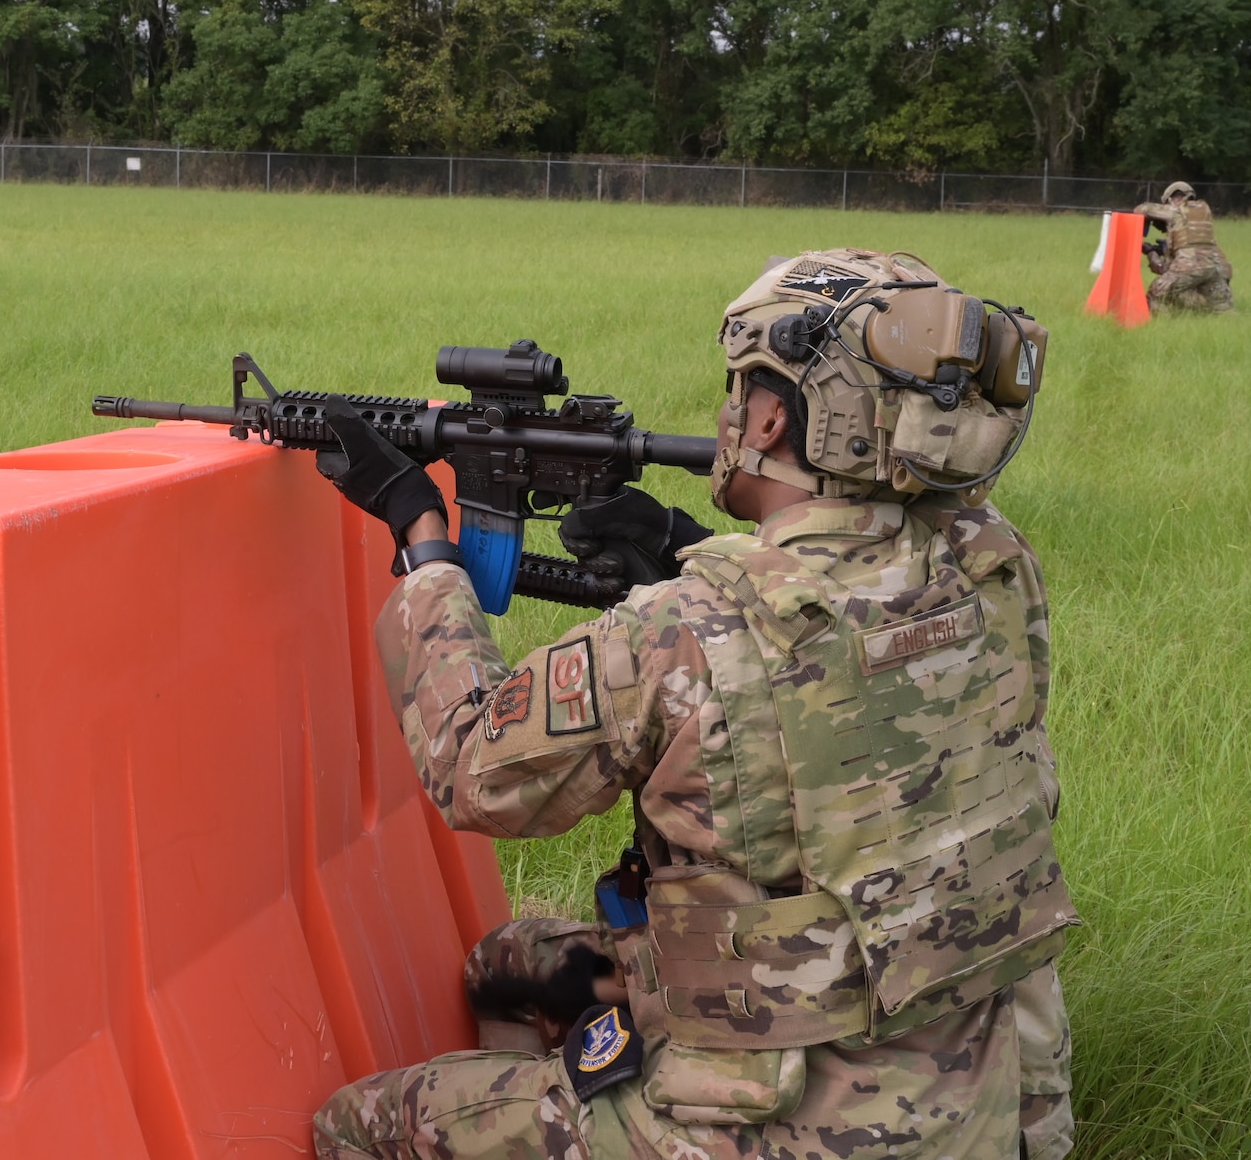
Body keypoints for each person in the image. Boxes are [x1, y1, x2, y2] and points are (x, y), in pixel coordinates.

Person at [311, 249, 1078, 1160]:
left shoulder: (687, 628)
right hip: (980, 1103)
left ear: (773, 412)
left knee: (356, 1123)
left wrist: (422, 541)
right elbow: (837, 612)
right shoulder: (991, 567)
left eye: (740, 388)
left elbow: (471, 766)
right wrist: (686, 544)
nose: (727, 413)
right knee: (507, 959)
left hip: (770, 1128)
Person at [1136, 181, 1233, 312]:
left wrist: (1151, 252)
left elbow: (1142, 209)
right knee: (1223, 310)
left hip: (1190, 268)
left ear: (1172, 198)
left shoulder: (1177, 209)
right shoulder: (1205, 210)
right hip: (1213, 270)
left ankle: (1162, 326)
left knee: (1156, 293)